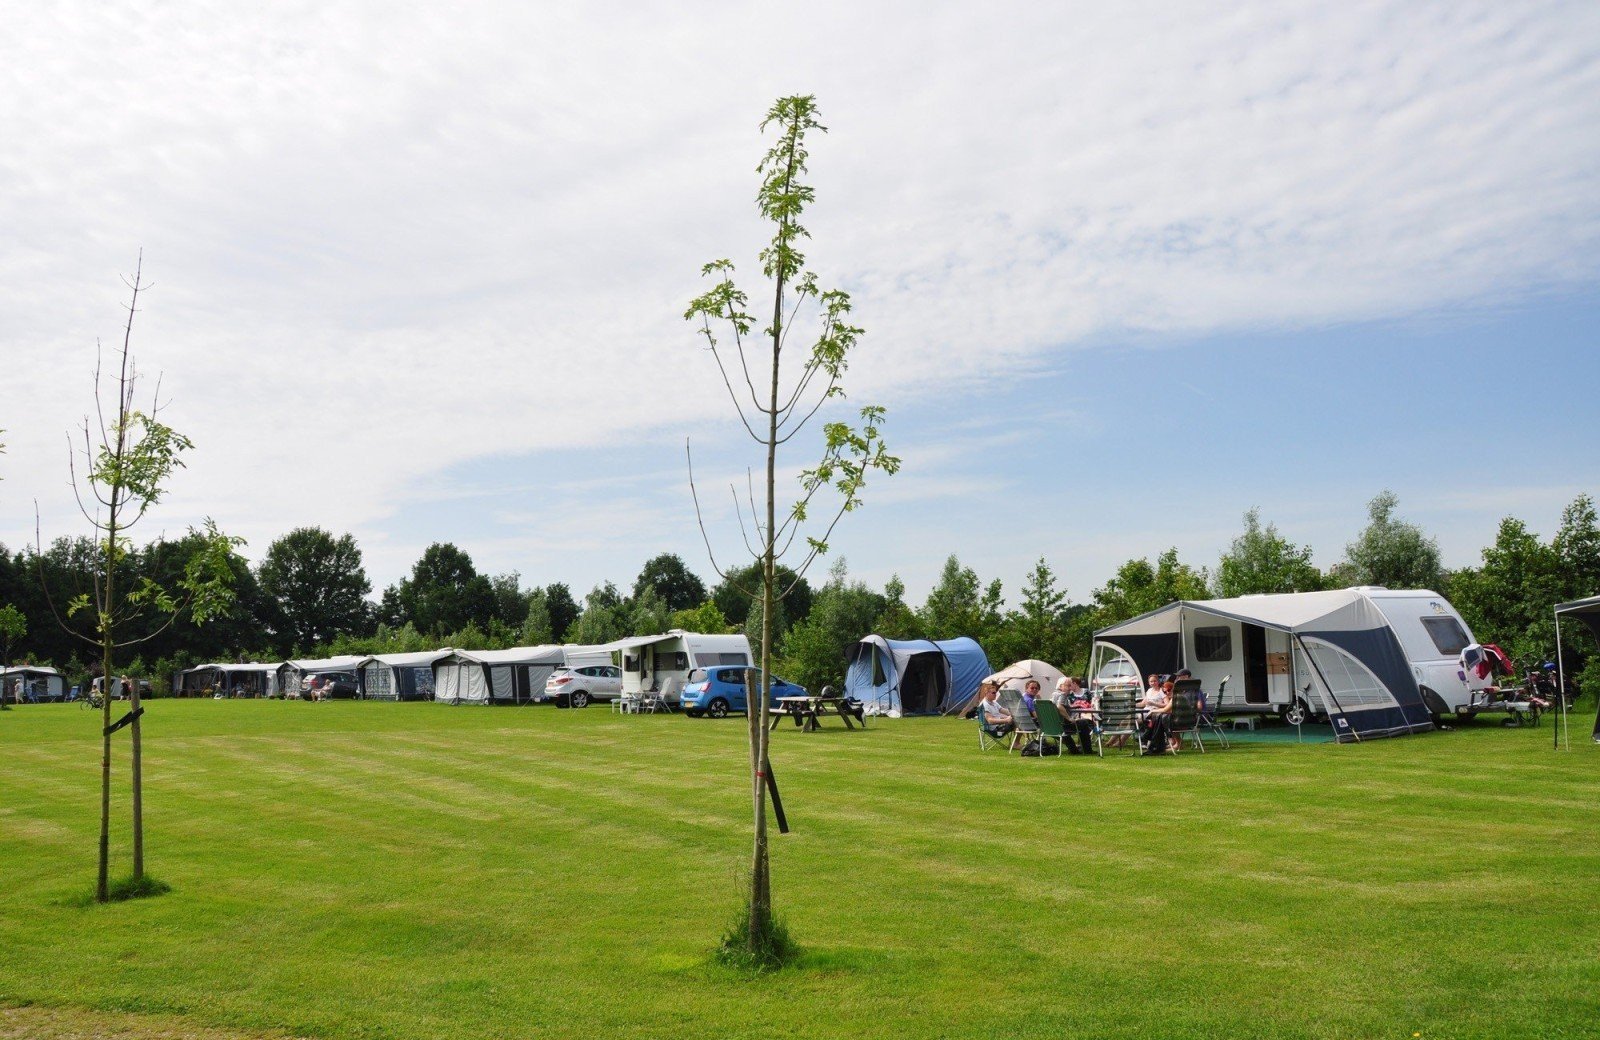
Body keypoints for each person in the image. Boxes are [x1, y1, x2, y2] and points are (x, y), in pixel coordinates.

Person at [1055, 676, 1097, 755]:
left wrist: (1072, 707)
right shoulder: (1062, 695)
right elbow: (1059, 706)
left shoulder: (1054, 694)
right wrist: (1069, 718)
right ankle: (1087, 750)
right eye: (1068, 686)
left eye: (1070, 686)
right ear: (1061, 686)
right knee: (1083, 723)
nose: (1070, 688)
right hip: (1064, 725)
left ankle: (1074, 750)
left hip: (1054, 725)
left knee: (1081, 722)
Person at [1140, 678, 1173, 754]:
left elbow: (1166, 710)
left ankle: (1146, 738)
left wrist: (1153, 710)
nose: (1166, 693)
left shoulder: (1174, 699)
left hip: (1172, 723)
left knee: (1156, 719)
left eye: (1169, 690)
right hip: (1176, 722)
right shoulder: (1149, 691)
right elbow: (1142, 703)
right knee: (1156, 719)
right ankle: (1146, 738)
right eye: (1165, 692)